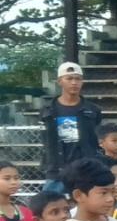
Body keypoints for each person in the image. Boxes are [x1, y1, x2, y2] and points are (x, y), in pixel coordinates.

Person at [39, 61, 105, 191]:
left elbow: (96, 137)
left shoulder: (93, 110)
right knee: (52, 202)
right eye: (69, 78)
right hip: (57, 170)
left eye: (78, 79)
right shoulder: (47, 110)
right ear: (60, 81)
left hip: (86, 170)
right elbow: (45, 140)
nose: (74, 82)